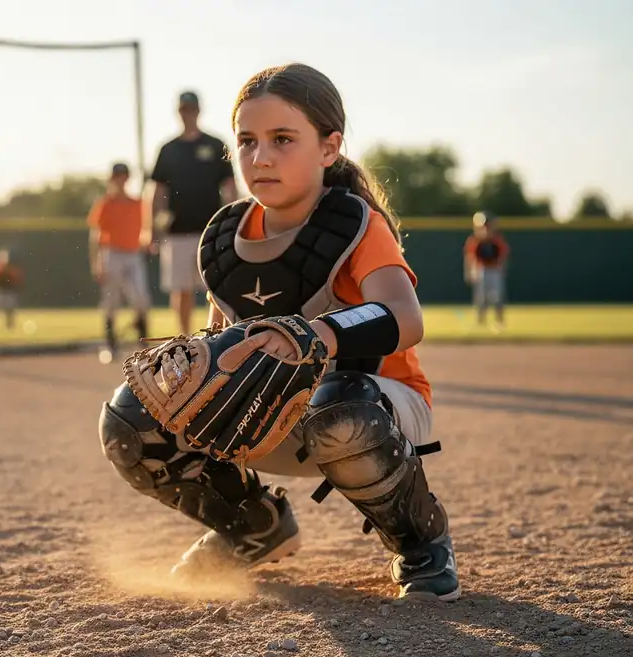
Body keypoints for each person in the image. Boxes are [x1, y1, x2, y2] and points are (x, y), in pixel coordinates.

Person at [99, 63, 461, 602]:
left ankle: (419, 540)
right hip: (272, 417)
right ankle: (254, 526)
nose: (260, 157)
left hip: (379, 406)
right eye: (247, 141)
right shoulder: (224, 238)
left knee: (340, 407)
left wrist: (313, 335)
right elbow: (220, 345)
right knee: (133, 420)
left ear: (328, 148)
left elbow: (406, 320)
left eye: (283, 139)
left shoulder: (354, 223)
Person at [145, 91, 238, 335]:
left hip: (212, 231)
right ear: (179, 112)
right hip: (178, 232)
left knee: (218, 289)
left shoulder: (215, 144)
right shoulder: (168, 149)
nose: (188, 113)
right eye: (184, 109)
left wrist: (234, 224)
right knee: (181, 290)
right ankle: (184, 340)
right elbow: (158, 192)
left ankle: (218, 339)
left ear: (199, 110)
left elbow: (229, 187)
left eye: (192, 109)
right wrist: (152, 230)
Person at [87, 162, 151, 360]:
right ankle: (110, 343)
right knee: (111, 301)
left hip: (132, 254)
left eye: (124, 176)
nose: (121, 180)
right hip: (111, 253)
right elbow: (95, 235)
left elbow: (146, 229)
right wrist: (96, 261)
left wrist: (148, 241)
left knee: (141, 299)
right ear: (112, 179)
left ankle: (144, 344)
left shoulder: (138, 203)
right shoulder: (105, 203)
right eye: (117, 176)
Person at [463, 211, 510, 328]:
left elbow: (503, 255)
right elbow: (470, 257)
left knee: (498, 297)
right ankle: (480, 321)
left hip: (494, 270)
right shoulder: (476, 240)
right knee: (480, 298)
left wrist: (502, 268)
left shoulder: (496, 240)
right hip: (481, 270)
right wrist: (470, 272)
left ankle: (499, 320)